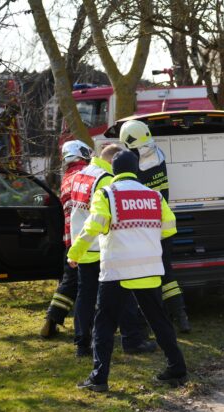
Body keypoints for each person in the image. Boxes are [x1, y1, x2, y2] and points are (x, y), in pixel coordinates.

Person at [69, 150, 189, 392]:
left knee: (104, 324)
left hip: (117, 272)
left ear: (114, 170)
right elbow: (169, 228)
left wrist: (75, 254)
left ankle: (99, 378)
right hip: (149, 270)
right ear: (136, 170)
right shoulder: (155, 197)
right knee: (159, 321)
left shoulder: (107, 194)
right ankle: (177, 368)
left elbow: (94, 226)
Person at [70, 144, 155, 357]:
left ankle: (82, 343)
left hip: (82, 245)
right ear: (112, 162)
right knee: (124, 294)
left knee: (85, 295)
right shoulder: (105, 179)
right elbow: (105, 217)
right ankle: (132, 340)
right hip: (102, 247)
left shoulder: (81, 175)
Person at [118, 120, 191, 333]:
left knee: (143, 275)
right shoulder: (158, 154)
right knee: (167, 273)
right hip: (163, 226)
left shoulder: (134, 161)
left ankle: (148, 321)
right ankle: (181, 316)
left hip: (143, 228)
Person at [40, 140, 92, 338]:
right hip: (86, 239)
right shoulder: (84, 174)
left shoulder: (67, 177)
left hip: (69, 239)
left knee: (69, 283)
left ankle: (52, 320)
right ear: (82, 153)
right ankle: (86, 329)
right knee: (88, 286)